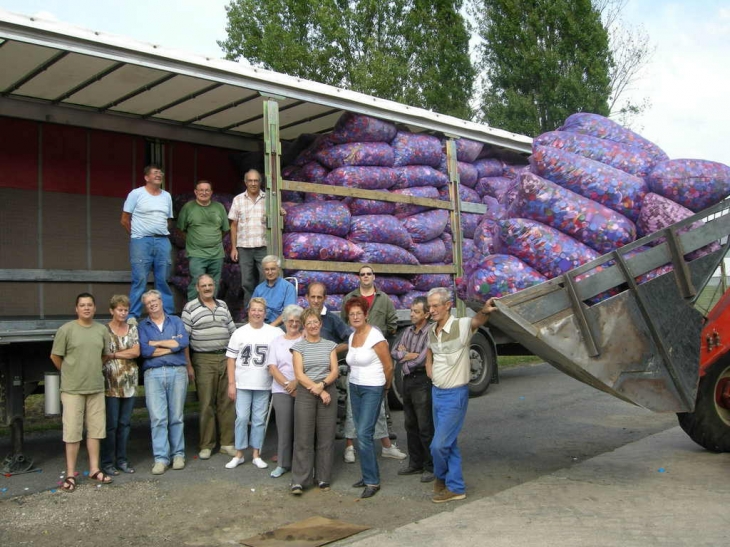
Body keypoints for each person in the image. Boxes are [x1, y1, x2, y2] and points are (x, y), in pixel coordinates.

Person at [426, 288, 497, 503]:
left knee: (438, 445)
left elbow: (477, 321)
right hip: (436, 393)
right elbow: (431, 351)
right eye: (429, 306)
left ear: (448, 305)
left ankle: (440, 477)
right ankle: (455, 487)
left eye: (435, 306)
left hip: (455, 395)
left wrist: (485, 311)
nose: (431, 310)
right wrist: (429, 367)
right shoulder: (432, 330)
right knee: (449, 443)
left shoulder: (460, 325)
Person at [50, 293, 113, 492]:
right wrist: (70, 372)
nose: (86, 308)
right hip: (72, 390)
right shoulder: (66, 330)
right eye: (82, 305)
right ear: (76, 309)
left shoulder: (102, 330)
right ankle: (70, 474)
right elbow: (55, 356)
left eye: (90, 305)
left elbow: (104, 355)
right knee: (72, 432)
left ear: (95, 308)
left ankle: (94, 469)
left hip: (95, 387)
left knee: (95, 430)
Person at [341, 265, 404, 463]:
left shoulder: (383, 298)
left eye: (369, 274)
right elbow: (345, 320)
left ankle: (383, 449)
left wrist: (385, 386)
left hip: (375, 373)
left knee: (377, 413)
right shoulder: (350, 299)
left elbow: (392, 322)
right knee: (353, 411)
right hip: (357, 378)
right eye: (362, 274)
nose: (366, 276)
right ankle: (351, 447)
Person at [182, 274, 237, 461]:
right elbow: (184, 340)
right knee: (206, 404)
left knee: (227, 402)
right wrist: (189, 365)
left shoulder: (223, 305)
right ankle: (206, 445)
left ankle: (227, 443)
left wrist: (234, 358)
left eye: (210, 285)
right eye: (203, 285)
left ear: (214, 286)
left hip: (225, 357)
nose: (207, 288)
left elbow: (233, 333)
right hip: (203, 360)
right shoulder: (190, 308)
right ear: (197, 288)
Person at [345, 297, 394, 499]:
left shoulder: (375, 337)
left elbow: (389, 366)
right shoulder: (352, 336)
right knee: (360, 432)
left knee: (364, 433)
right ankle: (366, 476)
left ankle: (373, 481)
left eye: (359, 313)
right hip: (355, 386)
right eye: (352, 314)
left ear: (366, 315)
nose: (355, 317)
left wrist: (385, 387)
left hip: (372, 388)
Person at [225, 297, 281, 470]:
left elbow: (287, 344)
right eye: (254, 309)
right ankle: (240, 453)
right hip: (243, 383)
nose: (257, 313)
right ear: (248, 312)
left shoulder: (274, 333)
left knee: (258, 420)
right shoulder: (239, 332)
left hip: (263, 383)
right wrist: (231, 383)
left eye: (260, 310)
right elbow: (231, 359)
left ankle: (256, 453)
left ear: (265, 313)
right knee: (241, 418)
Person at [138, 289, 190, 475]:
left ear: (161, 301)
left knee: (176, 416)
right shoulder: (143, 326)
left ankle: (178, 455)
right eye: (148, 302)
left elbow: (183, 343)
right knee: (158, 418)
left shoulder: (175, 321)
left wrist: (156, 344)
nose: (152, 304)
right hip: (153, 374)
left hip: (177, 372)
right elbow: (144, 351)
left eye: (155, 300)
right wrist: (170, 345)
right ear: (146, 307)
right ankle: (161, 458)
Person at [289, 308, 339, 495]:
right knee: (303, 437)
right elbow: (299, 375)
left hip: (327, 390)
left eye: (315, 322)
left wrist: (323, 386)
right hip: (306, 393)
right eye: (308, 323)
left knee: (326, 437)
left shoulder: (330, 345)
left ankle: (323, 477)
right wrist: (318, 390)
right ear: (304, 325)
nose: (312, 326)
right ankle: (299, 480)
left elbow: (334, 370)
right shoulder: (298, 347)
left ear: (321, 324)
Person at [121, 165, 175, 322]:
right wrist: (136, 236)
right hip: (141, 241)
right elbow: (124, 219)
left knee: (163, 279)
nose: (159, 174)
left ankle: (167, 314)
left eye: (161, 172)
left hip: (162, 240)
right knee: (140, 279)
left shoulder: (166, 196)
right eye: (155, 172)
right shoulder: (136, 194)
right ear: (146, 177)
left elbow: (168, 220)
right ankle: (133, 316)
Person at [391, 296, 434, 483]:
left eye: (416, 311)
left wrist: (406, 358)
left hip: (422, 380)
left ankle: (431, 465)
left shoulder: (430, 332)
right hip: (408, 381)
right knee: (410, 424)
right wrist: (406, 355)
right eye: (411, 310)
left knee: (425, 425)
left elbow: (422, 359)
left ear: (426, 313)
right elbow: (394, 351)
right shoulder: (408, 330)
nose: (412, 314)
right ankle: (415, 463)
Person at [101, 294, 140, 477]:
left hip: (129, 383)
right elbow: (102, 354)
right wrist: (126, 352)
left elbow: (136, 352)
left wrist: (115, 354)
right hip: (110, 384)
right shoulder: (104, 330)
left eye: (125, 310)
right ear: (112, 311)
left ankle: (122, 460)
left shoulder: (132, 329)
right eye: (119, 309)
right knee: (111, 425)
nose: (123, 313)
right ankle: (107, 462)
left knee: (125, 424)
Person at [266, 304, 304, 478]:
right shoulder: (276, 341)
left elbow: (307, 366)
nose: (294, 324)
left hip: (302, 387)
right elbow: (272, 367)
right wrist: (288, 385)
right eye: (290, 321)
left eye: (297, 321)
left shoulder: (304, 340)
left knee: (302, 428)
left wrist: (296, 383)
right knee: (284, 428)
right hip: (281, 389)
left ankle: (300, 464)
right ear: (285, 322)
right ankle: (283, 463)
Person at [176, 180, 230, 301]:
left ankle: (210, 311)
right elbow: (180, 229)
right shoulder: (188, 208)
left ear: (211, 192)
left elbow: (226, 229)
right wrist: (192, 240)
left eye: (207, 190)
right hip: (196, 253)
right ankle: (193, 311)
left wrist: (214, 240)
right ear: (195, 192)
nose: (204, 193)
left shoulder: (219, 207)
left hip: (216, 253)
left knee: (214, 283)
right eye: (201, 190)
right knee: (197, 281)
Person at [228, 169, 267, 312]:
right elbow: (233, 225)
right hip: (244, 247)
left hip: (263, 246)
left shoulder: (268, 199)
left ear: (260, 182)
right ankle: (249, 311)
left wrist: (281, 211)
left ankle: (264, 310)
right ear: (245, 182)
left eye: (256, 180)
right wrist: (234, 247)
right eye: (250, 181)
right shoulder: (238, 200)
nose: (253, 183)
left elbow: (277, 214)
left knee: (265, 279)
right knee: (247, 281)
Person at [305, 282, 350, 354]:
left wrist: (331, 352)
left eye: (319, 297)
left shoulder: (333, 319)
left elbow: (351, 339)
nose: (316, 301)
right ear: (307, 297)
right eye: (313, 297)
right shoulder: (300, 318)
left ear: (325, 298)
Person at [252, 255, 296, 327]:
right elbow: (252, 310)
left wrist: (271, 327)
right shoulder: (259, 289)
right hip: (260, 324)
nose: (270, 272)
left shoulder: (288, 287)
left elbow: (288, 312)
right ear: (263, 271)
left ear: (278, 269)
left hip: (280, 325)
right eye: (267, 269)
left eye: (273, 269)